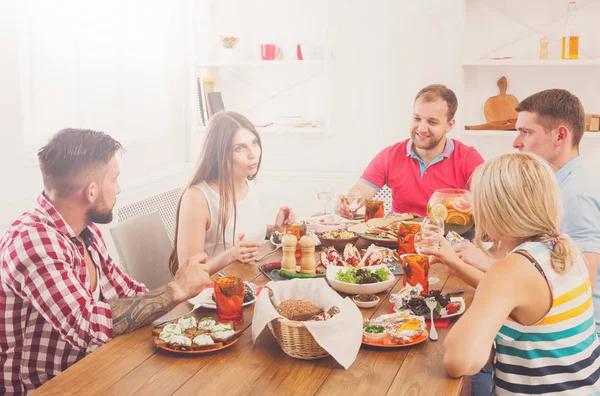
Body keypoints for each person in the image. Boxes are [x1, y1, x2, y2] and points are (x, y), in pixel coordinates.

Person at [0, 129, 212, 395]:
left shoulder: (84, 231)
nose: (119, 188)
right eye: (115, 179)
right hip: (45, 388)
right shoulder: (33, 242)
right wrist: (177, 289)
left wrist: (195, 306)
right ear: (91, 191)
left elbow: (129, 293)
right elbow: (87, 325)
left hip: (93, 370)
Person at [421, 152, 600, 395]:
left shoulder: (511, 270)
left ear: (496, 211)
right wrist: (458, 265)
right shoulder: (561, 246)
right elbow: (518, 300)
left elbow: (459, 361)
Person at [456, 89, 600, 325]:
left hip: (581, 333)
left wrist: (491, 265)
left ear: (560, 136)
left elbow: (579, 287)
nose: (516, 142)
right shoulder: (560, 183)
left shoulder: (576, 196)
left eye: (526, 132)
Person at [168, 111, 296, 275]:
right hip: (213, 293)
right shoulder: (197, 198)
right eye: (239, 148)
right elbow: (187, 274)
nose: (253, 154)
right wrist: (230, 256)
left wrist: (276, 228)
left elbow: (240, 236)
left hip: (250, 280)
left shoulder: (248, 183)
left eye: (254, 142)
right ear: (218, 154)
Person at [335, 84, 484, 218]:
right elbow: (361, 191)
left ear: (449, 125)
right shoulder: (390, 155)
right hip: (399, 240)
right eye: (417, 118)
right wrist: (346, 205)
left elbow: (489, 207)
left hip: (449, 242)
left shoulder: (469, 158)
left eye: (432, 122)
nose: (421, 128)